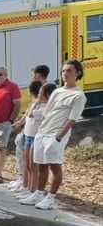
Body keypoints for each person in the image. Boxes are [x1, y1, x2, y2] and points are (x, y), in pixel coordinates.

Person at [21, 60, 87, 210]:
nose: (65, 74)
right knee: (41, 165)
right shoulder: (57, 91)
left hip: (55, 135)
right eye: (63, 71)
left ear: (77, 73)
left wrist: (59, 136)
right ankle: (38, 194)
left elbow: (72, 119)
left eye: (69, 71)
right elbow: (47, 112)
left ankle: (51, 198)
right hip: (43, 132)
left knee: (54, 166)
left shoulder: (78, 95)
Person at [7, 64, 51, 191]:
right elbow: (28, 112)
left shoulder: (47, 90)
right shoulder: (39, 91)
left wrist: (22, 123)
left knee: (33, 164)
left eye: (33, 74)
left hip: (37, 132)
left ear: (37, 75)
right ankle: (24, 182)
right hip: (28, 130)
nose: (31, 77)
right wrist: (21, 123)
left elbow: (34, 112)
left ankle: (31, 187)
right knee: (25, 159)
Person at [15, 82, 54, 200]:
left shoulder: (47, 107)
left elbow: (31, 114)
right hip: (28, 134)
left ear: (47, 96)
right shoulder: (37, 104)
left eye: (41, 95)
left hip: (36, 137)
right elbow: (29, 114)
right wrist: (36, 103)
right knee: (27, 164)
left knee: (34, 166)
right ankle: (29, 188)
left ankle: (33, 190)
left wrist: (36, 103)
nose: (38, 97)